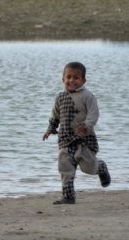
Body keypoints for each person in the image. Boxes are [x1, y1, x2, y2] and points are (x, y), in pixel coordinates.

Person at [42, 62, 111, 204]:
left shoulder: (87, 96)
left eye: (76, 77)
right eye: (68, 77)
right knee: (64, 167)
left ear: (83, 81)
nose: (72, 80)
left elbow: (93, 115)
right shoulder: (60, 97)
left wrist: (85, 126)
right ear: (63, 80)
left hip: (83, 140)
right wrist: (51, 128)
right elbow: (55, 114)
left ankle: (101, 167)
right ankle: (69, 196)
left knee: (88, 168)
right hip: (66, 140)